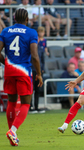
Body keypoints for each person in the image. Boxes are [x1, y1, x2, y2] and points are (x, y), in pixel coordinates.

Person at [0, 9, 43, 146]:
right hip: (24, 72)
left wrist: (6, 63)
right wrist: (39, 74)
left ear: (14, 19)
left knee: (11, 102)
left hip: (9, 71)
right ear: (27, 19)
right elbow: (35, 56)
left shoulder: (5, 31)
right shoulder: (31, 32)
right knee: (25, 103)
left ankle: (12, 136)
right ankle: (12, 131)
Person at [29, 26, 49, 114]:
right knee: (30, 89)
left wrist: (42, 69)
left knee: (37, 89)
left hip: (39, 71)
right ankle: (30, 107)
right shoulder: (30, 49)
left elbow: (42, 60)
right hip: (31, 70)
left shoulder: (41, 49)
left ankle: (36, 106)